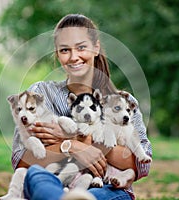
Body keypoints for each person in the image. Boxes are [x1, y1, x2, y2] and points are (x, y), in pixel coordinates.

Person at [11, 13, 152, 200]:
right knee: (35, 175)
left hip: (106, 187)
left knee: (101, 194)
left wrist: (83, 140)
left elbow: (140, 164)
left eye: (81, 48)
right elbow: (22, 159)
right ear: (57, 54)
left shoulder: (121, 102)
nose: (73, 57)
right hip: (54, 181)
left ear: (96, 48)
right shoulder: (41, 94)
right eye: (64, 50)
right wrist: (71, 146)